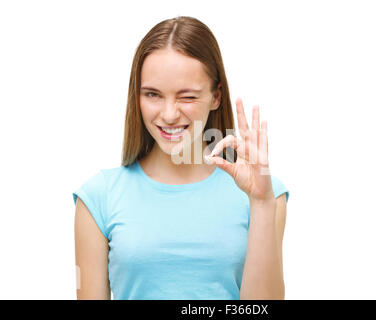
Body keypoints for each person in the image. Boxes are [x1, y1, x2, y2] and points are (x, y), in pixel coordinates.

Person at [73, 16, 289, 300]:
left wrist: (261, 204)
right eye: (153, 94)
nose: (169, 114)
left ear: (216, 97)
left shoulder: (265, 194)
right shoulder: (98, 198)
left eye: (187, 97)